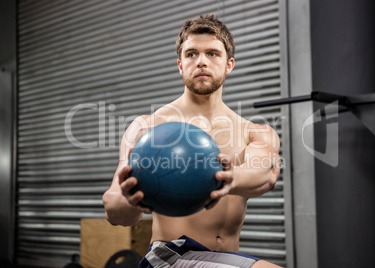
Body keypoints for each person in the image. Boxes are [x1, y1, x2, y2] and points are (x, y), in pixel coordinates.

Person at [102, 14, 281, 268]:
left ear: (229, 64)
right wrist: (130, 201)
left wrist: (230, 179)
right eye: (191, 54)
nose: (201, 62)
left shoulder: (255, 132)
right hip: (170, 255)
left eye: (212, 53)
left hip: (224, 259)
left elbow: (266, 174)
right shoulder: (148, 127)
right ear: (180, 64)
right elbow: (114, 208)